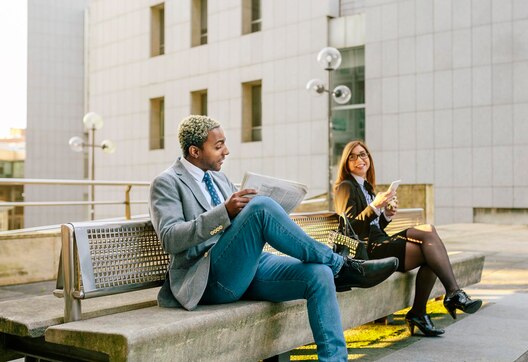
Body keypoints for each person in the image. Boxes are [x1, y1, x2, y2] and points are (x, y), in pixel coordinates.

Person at [149, 115, 399, 361]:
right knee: (260, 208)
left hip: (248, 267)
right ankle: (342, 265)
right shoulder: (167, 183)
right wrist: (224, 212)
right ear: (194, 151)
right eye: (218, 146)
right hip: (207, 279)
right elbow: (171, 238)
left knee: (319, 274)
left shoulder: (219, 178)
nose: (226, 151)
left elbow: (237, 228)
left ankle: (334, 358)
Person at [333, 140, 482, 337]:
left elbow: (372, 226)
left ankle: (427, 309)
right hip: (368, 252)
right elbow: (351, 228)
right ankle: (448, 297)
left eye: (363, 154)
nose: (359, 159)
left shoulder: (367, 187)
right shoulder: (346, 186)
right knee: (429, 237)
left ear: (369, 158)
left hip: (380, 242)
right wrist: (375, 207)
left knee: (431, 249)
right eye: (352, 157)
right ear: (346, 163)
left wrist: (385, 215)